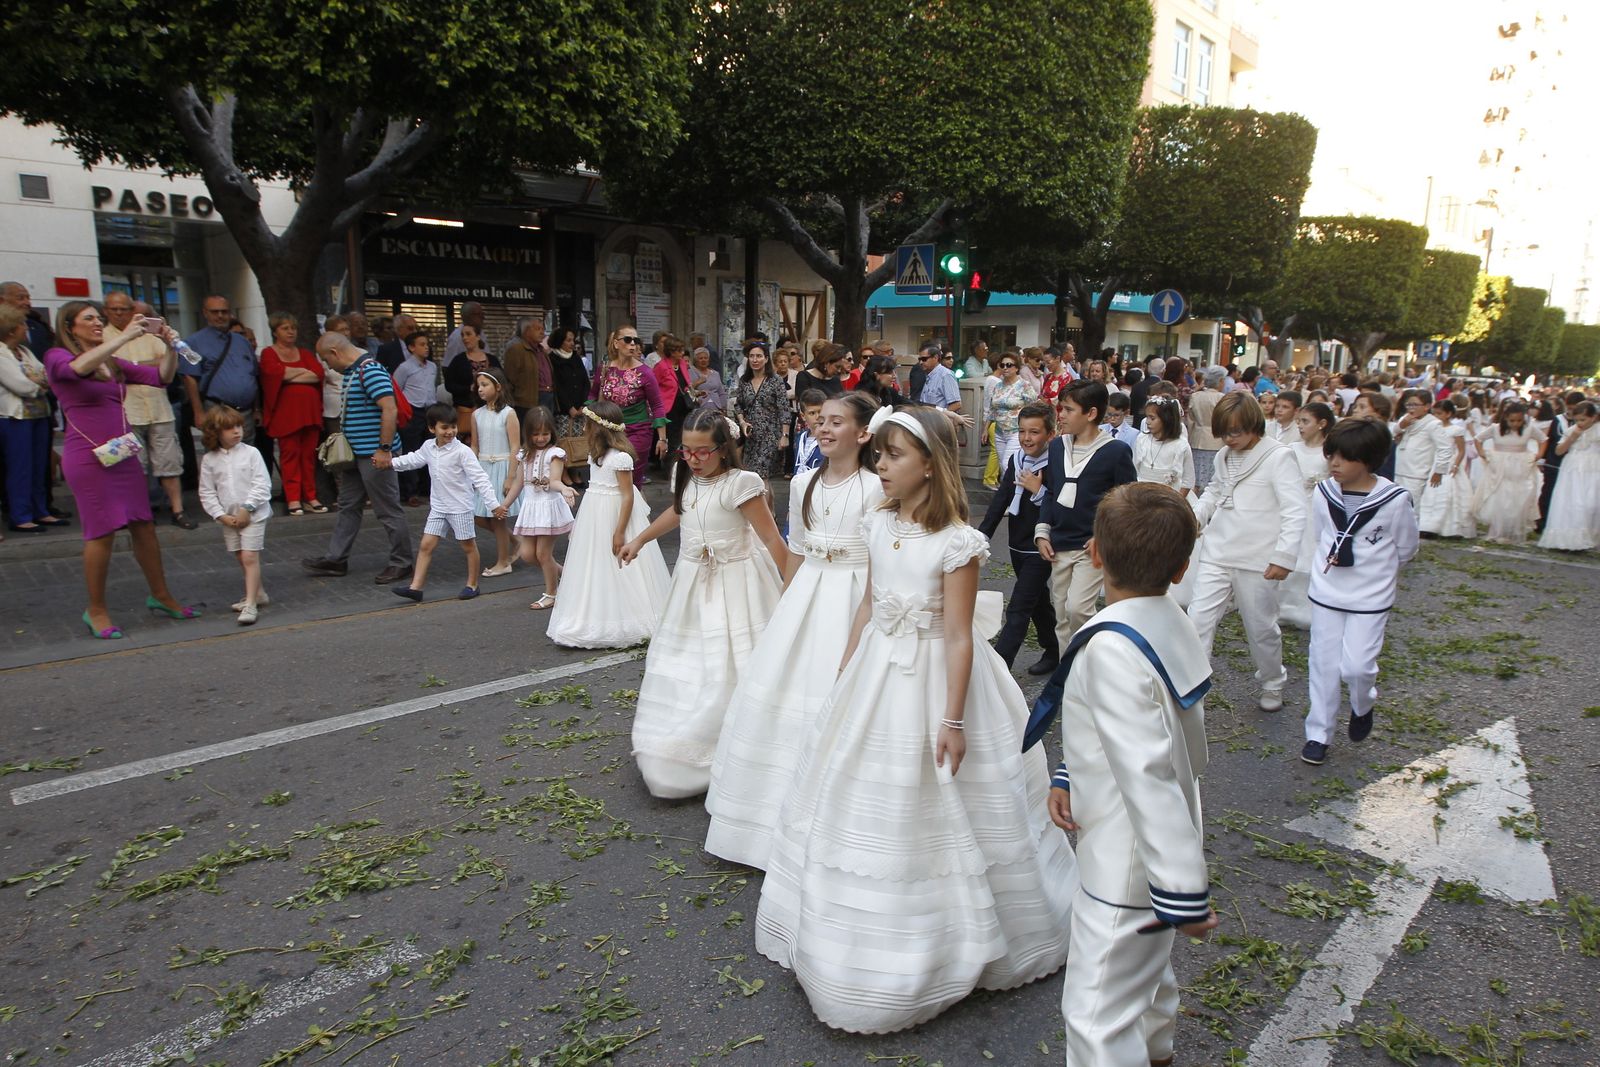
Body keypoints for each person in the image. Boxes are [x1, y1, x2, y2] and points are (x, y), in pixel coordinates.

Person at [755, 404, 1075, 1034]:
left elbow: (960, 638)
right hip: (878, 670)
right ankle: (852, 940)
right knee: (862, 794)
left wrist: (953, 721)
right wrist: (845, 674)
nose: (881, 466)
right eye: (880, 455)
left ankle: (957, 937)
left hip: (936, 678)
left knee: (947, 799)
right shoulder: (879, 523)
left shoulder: (958, 541)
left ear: (930, 464)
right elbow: (869, 605)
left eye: (893, 456)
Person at [1022, 482, 1216, 1067]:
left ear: (1096, 555)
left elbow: (1146, 770)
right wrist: (1068, 774)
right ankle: (1157, 1053)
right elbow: (1131, 732)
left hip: (1128, 864)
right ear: (1181, 569)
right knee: (1147, 982)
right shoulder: (1166, 620)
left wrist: (1183, 890)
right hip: (1147, 847)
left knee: (1097, 1016)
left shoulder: (1110, 647)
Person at [705, 392, 884, 868]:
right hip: (810, 593)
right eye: (819, 420)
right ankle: (766, 819)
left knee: (838, 692)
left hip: (854, 595)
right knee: (785, 692)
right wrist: (785, 605)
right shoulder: (803, 482)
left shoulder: (878, 487)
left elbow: (882, 558)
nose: (824, 428)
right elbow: (796, 550)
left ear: (863, 433)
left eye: (837, 422)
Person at [619, 408, 790, 798]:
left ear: (724, 449)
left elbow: (771, 539)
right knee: (687, 656)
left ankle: (738, 734)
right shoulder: (686, 476)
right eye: (686, 451)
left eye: (702, 452)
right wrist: (641, 540)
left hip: (739, 583)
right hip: (693, 581)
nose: (693, 460)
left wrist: (792, 587)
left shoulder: (741, 483)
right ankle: (679, 727)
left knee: (735, 659)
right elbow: (679, 511)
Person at [45, 301, 200, 637]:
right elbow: (77, 369)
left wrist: (169, 347)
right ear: (70, 327)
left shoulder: (112, 363)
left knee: (143, 526)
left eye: (99, 318)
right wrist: (123, 336)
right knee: (101, 532)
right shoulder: (57, 356)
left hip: (122, 453)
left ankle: (161, 595)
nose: (97, 323)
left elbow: (161, 377)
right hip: (87, 456)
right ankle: (96, 609)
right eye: (89, 319)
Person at [1302, 419, 1418, 765]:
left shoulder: (1395, 500)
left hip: (1370, 597)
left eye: (1344, 457)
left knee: (1357, 666)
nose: (1334, 463)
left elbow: (1407, 546)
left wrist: (1378, 573)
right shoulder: (1324, 492)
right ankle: (1318, 733)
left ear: (1368, 459)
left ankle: (1362, 703)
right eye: (1331, 455)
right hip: (1328, 591)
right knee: (1322, 663)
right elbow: (1321, 534)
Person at [1187, 392, 1305, 713]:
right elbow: (1214, 489)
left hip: (1258, 558)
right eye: (1224, 432)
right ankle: (1192, 685)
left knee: (1260, 627)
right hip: (1218, 550)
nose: (1229, 438)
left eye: (1236, 431)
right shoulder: (1223, 454)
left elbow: (1296, 510)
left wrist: (1284, 556)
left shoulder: (1279, 457)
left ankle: (1272, 681)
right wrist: (1195, 516)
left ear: (1254, 424)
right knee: (1197, 619)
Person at [546, 402, 671, 648]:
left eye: (587, 424)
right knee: (595, 564)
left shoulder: (620, 458)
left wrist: (620, 530)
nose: (584, 428)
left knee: (620, 565)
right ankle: (595, 616)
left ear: (599, 428)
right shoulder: (596, 455)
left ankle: (632, 616)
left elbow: (627, 495)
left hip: (615, 513)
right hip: (595, 512)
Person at [302, 332, 414, 585]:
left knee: (387, 509)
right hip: (359, 454)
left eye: (325, 359)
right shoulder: (353, 372)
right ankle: (336, 558)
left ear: (335, 352)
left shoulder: (370, 371)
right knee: (348, 505)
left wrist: (384, 449)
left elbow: (390, 409)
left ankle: (402, 562)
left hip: (374, 455)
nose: (327, 365)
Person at [1034, 380, 1137, 648]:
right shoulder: (1057, 447)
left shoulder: (1115, 451)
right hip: (1059, 543)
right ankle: (1066, 677)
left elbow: (1126, 501)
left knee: (1078, 609)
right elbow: (1051, 491)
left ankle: (1094, 660)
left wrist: (1105, 536)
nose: (1061, 415)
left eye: (1068, 409)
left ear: (1091, 414)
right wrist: (1042, 531)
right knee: (1061, 614)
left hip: (1090, 545)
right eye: (1061, 408)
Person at [977, 400, 1060, 676]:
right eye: (1023, 431)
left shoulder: (1058, 464)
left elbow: (1060, 505)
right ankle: (1054, 649)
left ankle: (998, 668)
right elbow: (1002, 498)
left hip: (1042, 543)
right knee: (1038, 601)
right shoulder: (1017, 459)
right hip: (1017, 542)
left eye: (1034, 432)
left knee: (1019, 605)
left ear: (1050, 433)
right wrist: (982, 535)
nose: (1026, 438)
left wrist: (1038, 490)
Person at [387, 404, 495, 602]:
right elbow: (414, 459)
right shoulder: (428, 447)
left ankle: (472, 584)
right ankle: (416, 587)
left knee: (468, 546)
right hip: (438, 507)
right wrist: (392, 463)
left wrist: (493, 504)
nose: (450, 431)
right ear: (432, 428)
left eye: (453, 427)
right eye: (444, 427)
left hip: (460, 507)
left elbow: (480, 478)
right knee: (426, 545)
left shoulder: (462, 452)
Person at [102, 293, 190, 527]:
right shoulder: (102, 336)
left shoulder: (147, 333)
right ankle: (135, 514)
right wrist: (145, 368)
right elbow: (109, 370)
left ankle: (178, 511)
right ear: (106, 311)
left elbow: (167, 364)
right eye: (115, 309)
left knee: (170, 463)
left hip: (160, 411)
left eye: (124, 309)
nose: (120, 313)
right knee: (130, 467)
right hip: (125, 415)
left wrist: (131, 368)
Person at [198, 406, 272, 625]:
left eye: (238, 426)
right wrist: (220, 515)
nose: (236, 432)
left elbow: (262, 483)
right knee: (241, 556)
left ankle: (250, 603)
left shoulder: (251, 453)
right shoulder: (210, 459)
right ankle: (259, 594)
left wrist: (247, 508)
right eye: (229, 428)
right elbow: (207, 491)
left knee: (250, 556)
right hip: (229, 517)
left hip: (254, 514)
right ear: (216, 432)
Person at [501, 405, 574, 609]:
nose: (541, 438)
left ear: (551, 432)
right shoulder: (524, 454)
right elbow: (518, 483)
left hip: (549, 507)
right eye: (536, 434)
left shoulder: (555, 453)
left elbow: (555, 480)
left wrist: (565, 489)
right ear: (528, 434)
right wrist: (505, 504)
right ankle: (567, 574)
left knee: (543, 554)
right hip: (532, 507)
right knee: (527, 554)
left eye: (545, 433)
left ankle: (552, 593)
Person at [0, 305, 62, 534]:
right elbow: (21, 385)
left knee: (39, 466)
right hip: (16, 418)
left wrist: (39, 382)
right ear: (11, 329)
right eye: (23, 324)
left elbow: (44, 373)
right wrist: (40, 384)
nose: (27, 328)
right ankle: (21, 515)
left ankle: (41, 510)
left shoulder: (24, 352)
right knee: (20, 468)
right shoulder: (1, 353)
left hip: (39, 414)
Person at [259, 312, 327, 516]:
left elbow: (317, 375)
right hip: (286, 415)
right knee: (289, 456)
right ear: (275, 331)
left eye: (293, 328)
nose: (290, 332)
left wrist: (287, 374)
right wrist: (298, 373)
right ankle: (293, 498)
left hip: (310, 413)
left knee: (308, 457)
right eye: (285, 328)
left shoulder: (305, 353)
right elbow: (273, 374)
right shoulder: (269, 353)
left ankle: (310, 496)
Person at [1278, 402, 1336, 629]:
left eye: (1305, 422)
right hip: (1293, 504)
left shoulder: (1328, 453)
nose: (1300, 426)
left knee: (1310, 552)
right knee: (1290, 547)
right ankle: (1282, 607)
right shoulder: (1292, 448)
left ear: (1322, 424)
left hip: (1316, 507)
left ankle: (1307, 609)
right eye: (1299, 421)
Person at [590, 325, 668, 487]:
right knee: (610, 481)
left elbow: (657, 405)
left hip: (638, 431)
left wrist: (662, 439)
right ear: (616, 343)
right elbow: (592, 397)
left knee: (631, 482)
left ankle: (633, 511)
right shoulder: (604, 368)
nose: (633, 344)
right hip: (608, 431)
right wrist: (590, 423)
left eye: (636, 340)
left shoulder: (645, 372)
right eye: (628, 340)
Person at [181, 295, 259, 445]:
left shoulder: (242, 341)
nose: (220, 316)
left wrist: (257, 409)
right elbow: (189, 378)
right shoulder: (191, 343)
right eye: (215, 312)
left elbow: (253, 376)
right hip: (216, 410)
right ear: (205, 313)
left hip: (246, 413)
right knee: (218, 455)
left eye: (224, 311)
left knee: (247, 457)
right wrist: (198, 412)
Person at [1471, 400, 1543, 543]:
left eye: (1519, 421)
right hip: (1499, 465)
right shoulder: (1495, 428)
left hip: (1521, 465)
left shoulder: (1529, 429)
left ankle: (1514, 528)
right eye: (1512, 421)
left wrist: (1538, 455)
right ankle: (1498, 528)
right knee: (1499, 494)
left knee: (1519, 495)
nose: (1515, 424)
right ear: (1505, 418)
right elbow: (1478, 438)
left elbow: (1543, 439)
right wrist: (1481, 453)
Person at [471, 368, 520, 576]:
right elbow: (474, 445)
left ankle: (503, 562)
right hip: (483, 468)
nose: (480, 389)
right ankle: (517, 541)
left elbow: (515, 447)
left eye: (485, 385)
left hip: (502, 467)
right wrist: (471, 469)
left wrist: (510, 476)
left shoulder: (508, 413)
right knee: (479, 517)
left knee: (498, 518)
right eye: (479, 385)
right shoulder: (476, 415)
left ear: (497, 387)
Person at [1537, 401, 1600, 551]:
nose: (1580, 423)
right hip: (1572, 469)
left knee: (1590, 502)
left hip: (1593, 468)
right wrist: (1572, 437)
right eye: (1577, 420)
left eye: (1583, 420)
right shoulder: (1572, 430)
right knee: (1571, 502)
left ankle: (1588, 535)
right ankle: (1569, 538)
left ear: (1594, 417)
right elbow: (1558, 451)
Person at [392, 331, 439, 505]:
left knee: (431, 448)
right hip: (413, 410)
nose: (426, 347)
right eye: (421, 344)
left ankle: (428, 488)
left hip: (429, 409)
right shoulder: (405, 367)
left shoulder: (432, 367)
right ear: (412, 347)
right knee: (411, 449)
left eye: (427, 344)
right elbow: (396, 388)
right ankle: (410, 491)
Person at [1417, 398, 1474, 540]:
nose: (1436, 416)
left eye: (1439, 413)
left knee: (1447, 493)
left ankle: (1450, 528)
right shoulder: (1431, 427)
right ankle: (1427, 526)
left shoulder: (1456, 430)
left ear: (1448, 414)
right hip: (1433, 461)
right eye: (1434, 413)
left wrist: (1456, 465)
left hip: (1449, 463)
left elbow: (1461, 450)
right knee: (1430, 495)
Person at [733, 343, 789, 480]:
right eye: (751, 356)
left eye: (759, 356)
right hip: (751, 436)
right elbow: (738, 405)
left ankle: (762, 502)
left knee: (762, 476)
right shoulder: (744, 381)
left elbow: (784, 408)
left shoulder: (775, 381)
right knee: (753, 476)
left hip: (771, 434)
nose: (755, 360)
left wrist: (785, 435)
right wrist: (742, 422)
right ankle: (765, 502)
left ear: (766, 359)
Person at [442, 323, 499, 447]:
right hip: (466, 412)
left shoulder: (492, 360)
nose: (465, 338)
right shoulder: (458, 360)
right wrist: (468, 389)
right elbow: (449, 385)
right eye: (463, 335)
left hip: (490, 412)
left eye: (468, 334)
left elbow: (501, 382)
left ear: (478, 336)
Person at [984, 351, 1037, 482]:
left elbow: (1034, 406)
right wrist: (985, 429)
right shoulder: (998, 385)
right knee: (1003, 467)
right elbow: (992, 409)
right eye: (1002, 365)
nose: (1005, 368)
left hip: (1016, 431)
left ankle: (1015, 492)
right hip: (999, 432)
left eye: (1009, 365)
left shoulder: (1024, 385)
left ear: (1017, 367)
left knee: (1007, 464)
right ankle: (1007, 494)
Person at [1391, 389, 1445, 512]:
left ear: (1426, 406)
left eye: (1415, 405)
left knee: (1411, 508)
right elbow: (1394, 432)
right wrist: (1402, 425)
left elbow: (1444, 449)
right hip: (1399, 468)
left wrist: (1439, 470)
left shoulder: (1433, 424)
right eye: (1409, 404)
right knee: (1396, 506)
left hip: (1416, 472)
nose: (1411, 408)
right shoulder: (1406, 419)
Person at [1135, 396, 1196, 497]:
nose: (1147, 422)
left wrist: (1176, 502)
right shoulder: (1142, 439)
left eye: (1152, 418)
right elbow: (1135, 468)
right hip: (1142, 495)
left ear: (1166, 419)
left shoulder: (1180, 445)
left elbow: (1188, 479)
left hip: (1170, 497)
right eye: (1147, 417)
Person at [652, 334, 696, 464]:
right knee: (672, 439)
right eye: (679, 350)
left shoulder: (682, 363)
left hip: (684, 405)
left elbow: (685, 383)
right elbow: (654, 388)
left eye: (682, 349)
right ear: (671, 351)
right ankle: (670, 468)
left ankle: (683, 465)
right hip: (669, 408)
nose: (682, 353)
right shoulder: (661, 366)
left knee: (685, 436)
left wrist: (694, 393)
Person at [502, 316, 552, 421]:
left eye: (543, 329)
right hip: (527, 402)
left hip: (547, 398)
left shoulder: (542, 350)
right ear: (526, 331)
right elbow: (510, 378)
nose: (542, 332)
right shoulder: (516, 349)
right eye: (538, 329)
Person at [548, 326, 592, 443]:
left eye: (573, 340)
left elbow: (585, 382)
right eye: (568, 340)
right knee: (564, 443)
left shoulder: (576, 358)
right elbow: (557, 386)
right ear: (559, 341)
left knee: (580, 442)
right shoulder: (552, 359)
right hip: (563, 412)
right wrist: (569, 408)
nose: (572, 344)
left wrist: (583, 405)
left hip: (581, 409)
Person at [790, 389, 827, 475]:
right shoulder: (800, 437)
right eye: (812, 413)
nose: (817, 417)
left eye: (820, 412)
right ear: (803, 416)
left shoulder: (830, 438)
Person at [442, 302, 486, 368]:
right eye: (478, 314)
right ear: (467, 316)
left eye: (482, 314)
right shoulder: (456, 337)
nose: (483, 317)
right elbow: (447, 366)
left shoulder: (481, 333)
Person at [687, 347, 728, 412]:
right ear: (695, 360)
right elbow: (688, 390)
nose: (704, 360)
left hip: (716, 408)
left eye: (706, 358)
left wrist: (724, 408)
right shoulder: (690, 372)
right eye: (700, 358)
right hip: (698, 408)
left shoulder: (715, 373)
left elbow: (721, 393)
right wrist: (698, 382)